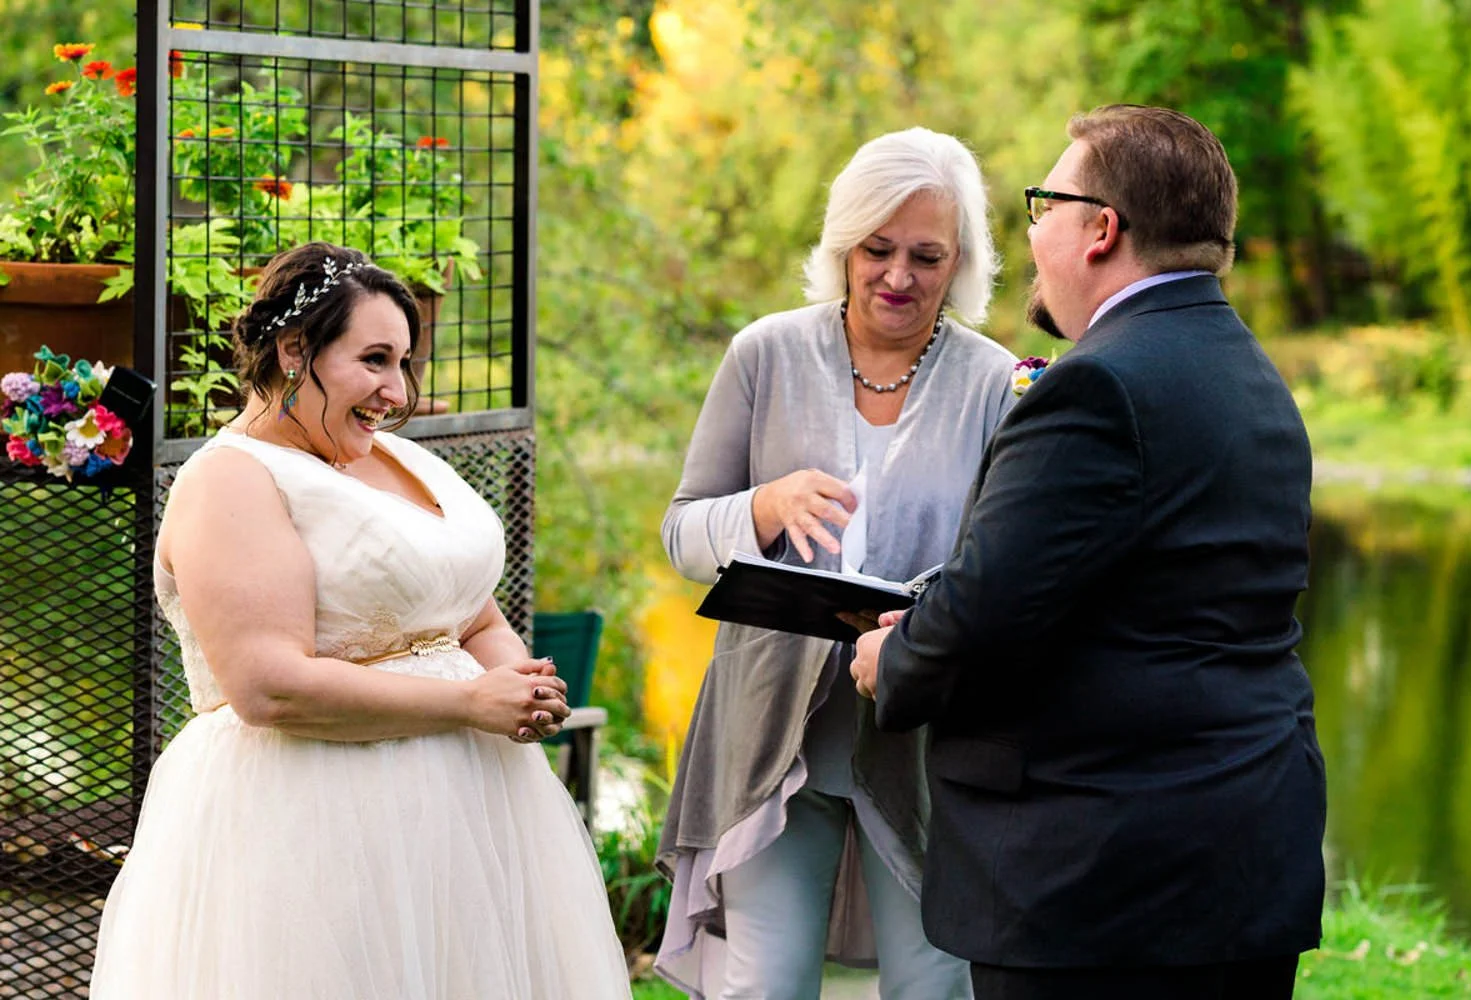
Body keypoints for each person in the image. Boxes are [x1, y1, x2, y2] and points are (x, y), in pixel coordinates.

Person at [849, 105, 1327, 1000]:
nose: (1032, 235)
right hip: (1248, 850)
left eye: (1045, 206)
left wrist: (894, 656)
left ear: (1101, 230)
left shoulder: (1099, 388)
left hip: (1103, 881)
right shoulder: (1252, 375)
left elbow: (986, 615)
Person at [90, 242, 632, 998]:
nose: (395, 391)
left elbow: (468, 613)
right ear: (292, 351)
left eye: (405, 363)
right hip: (313, 820)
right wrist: (469, 702)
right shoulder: (232, 481)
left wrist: (515, 677)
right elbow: (269, 687)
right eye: (374, 360)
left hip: (473, 815)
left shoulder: (399, 458)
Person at [654, 127, 1017, 1000]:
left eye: (926, 256)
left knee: (933, 986)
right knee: (765, 986)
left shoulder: (997, 383)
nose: (898, 277)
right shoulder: (764, 355)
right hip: (770, 732)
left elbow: (1005, 571)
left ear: (960, 259)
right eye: (878, 250)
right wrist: (763, 509)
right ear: (843, 246)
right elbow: (681, 531)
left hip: (921, 736)